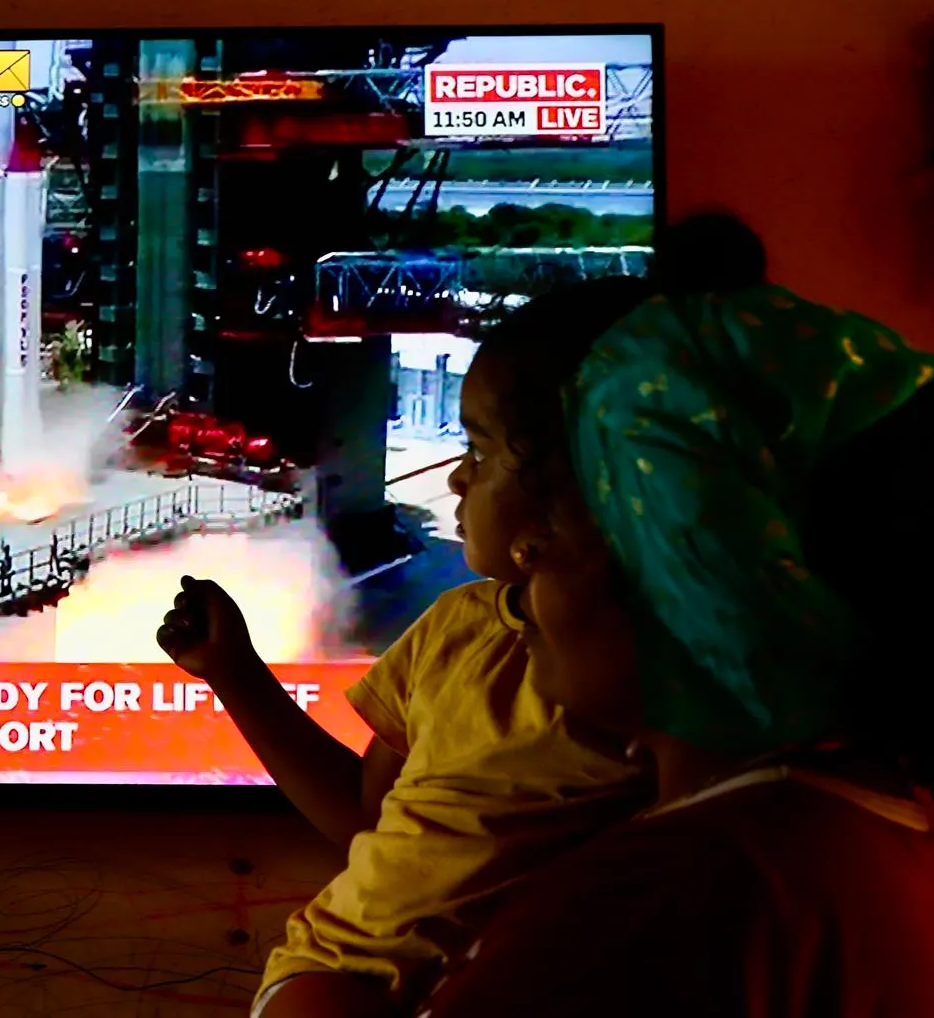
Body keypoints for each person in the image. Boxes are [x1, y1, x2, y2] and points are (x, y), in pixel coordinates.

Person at [409, 281, 934, 1015]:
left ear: (689, 573)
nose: (522, 556)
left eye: (556, 523)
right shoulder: (833, 843)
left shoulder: (660, 903)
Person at [153, 218, 771, 1018]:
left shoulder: (635, 679)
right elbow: (367, 820)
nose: (454, 479)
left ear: (580, 486)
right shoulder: (453, 628)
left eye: (479, 453)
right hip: (331, 973)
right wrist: (234, 674)